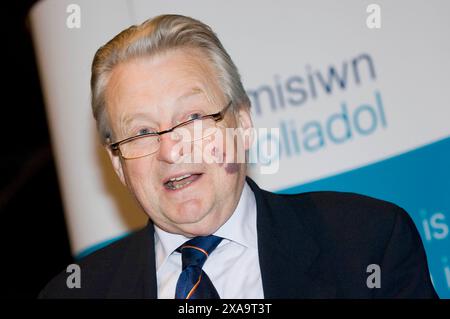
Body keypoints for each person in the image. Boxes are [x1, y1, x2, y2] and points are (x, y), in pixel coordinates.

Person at [39, 14, 437, 299]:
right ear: (118, 165)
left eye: (193, 118)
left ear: (243, 124)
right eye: (142, 131)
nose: (172, 148)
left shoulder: (369, 243)